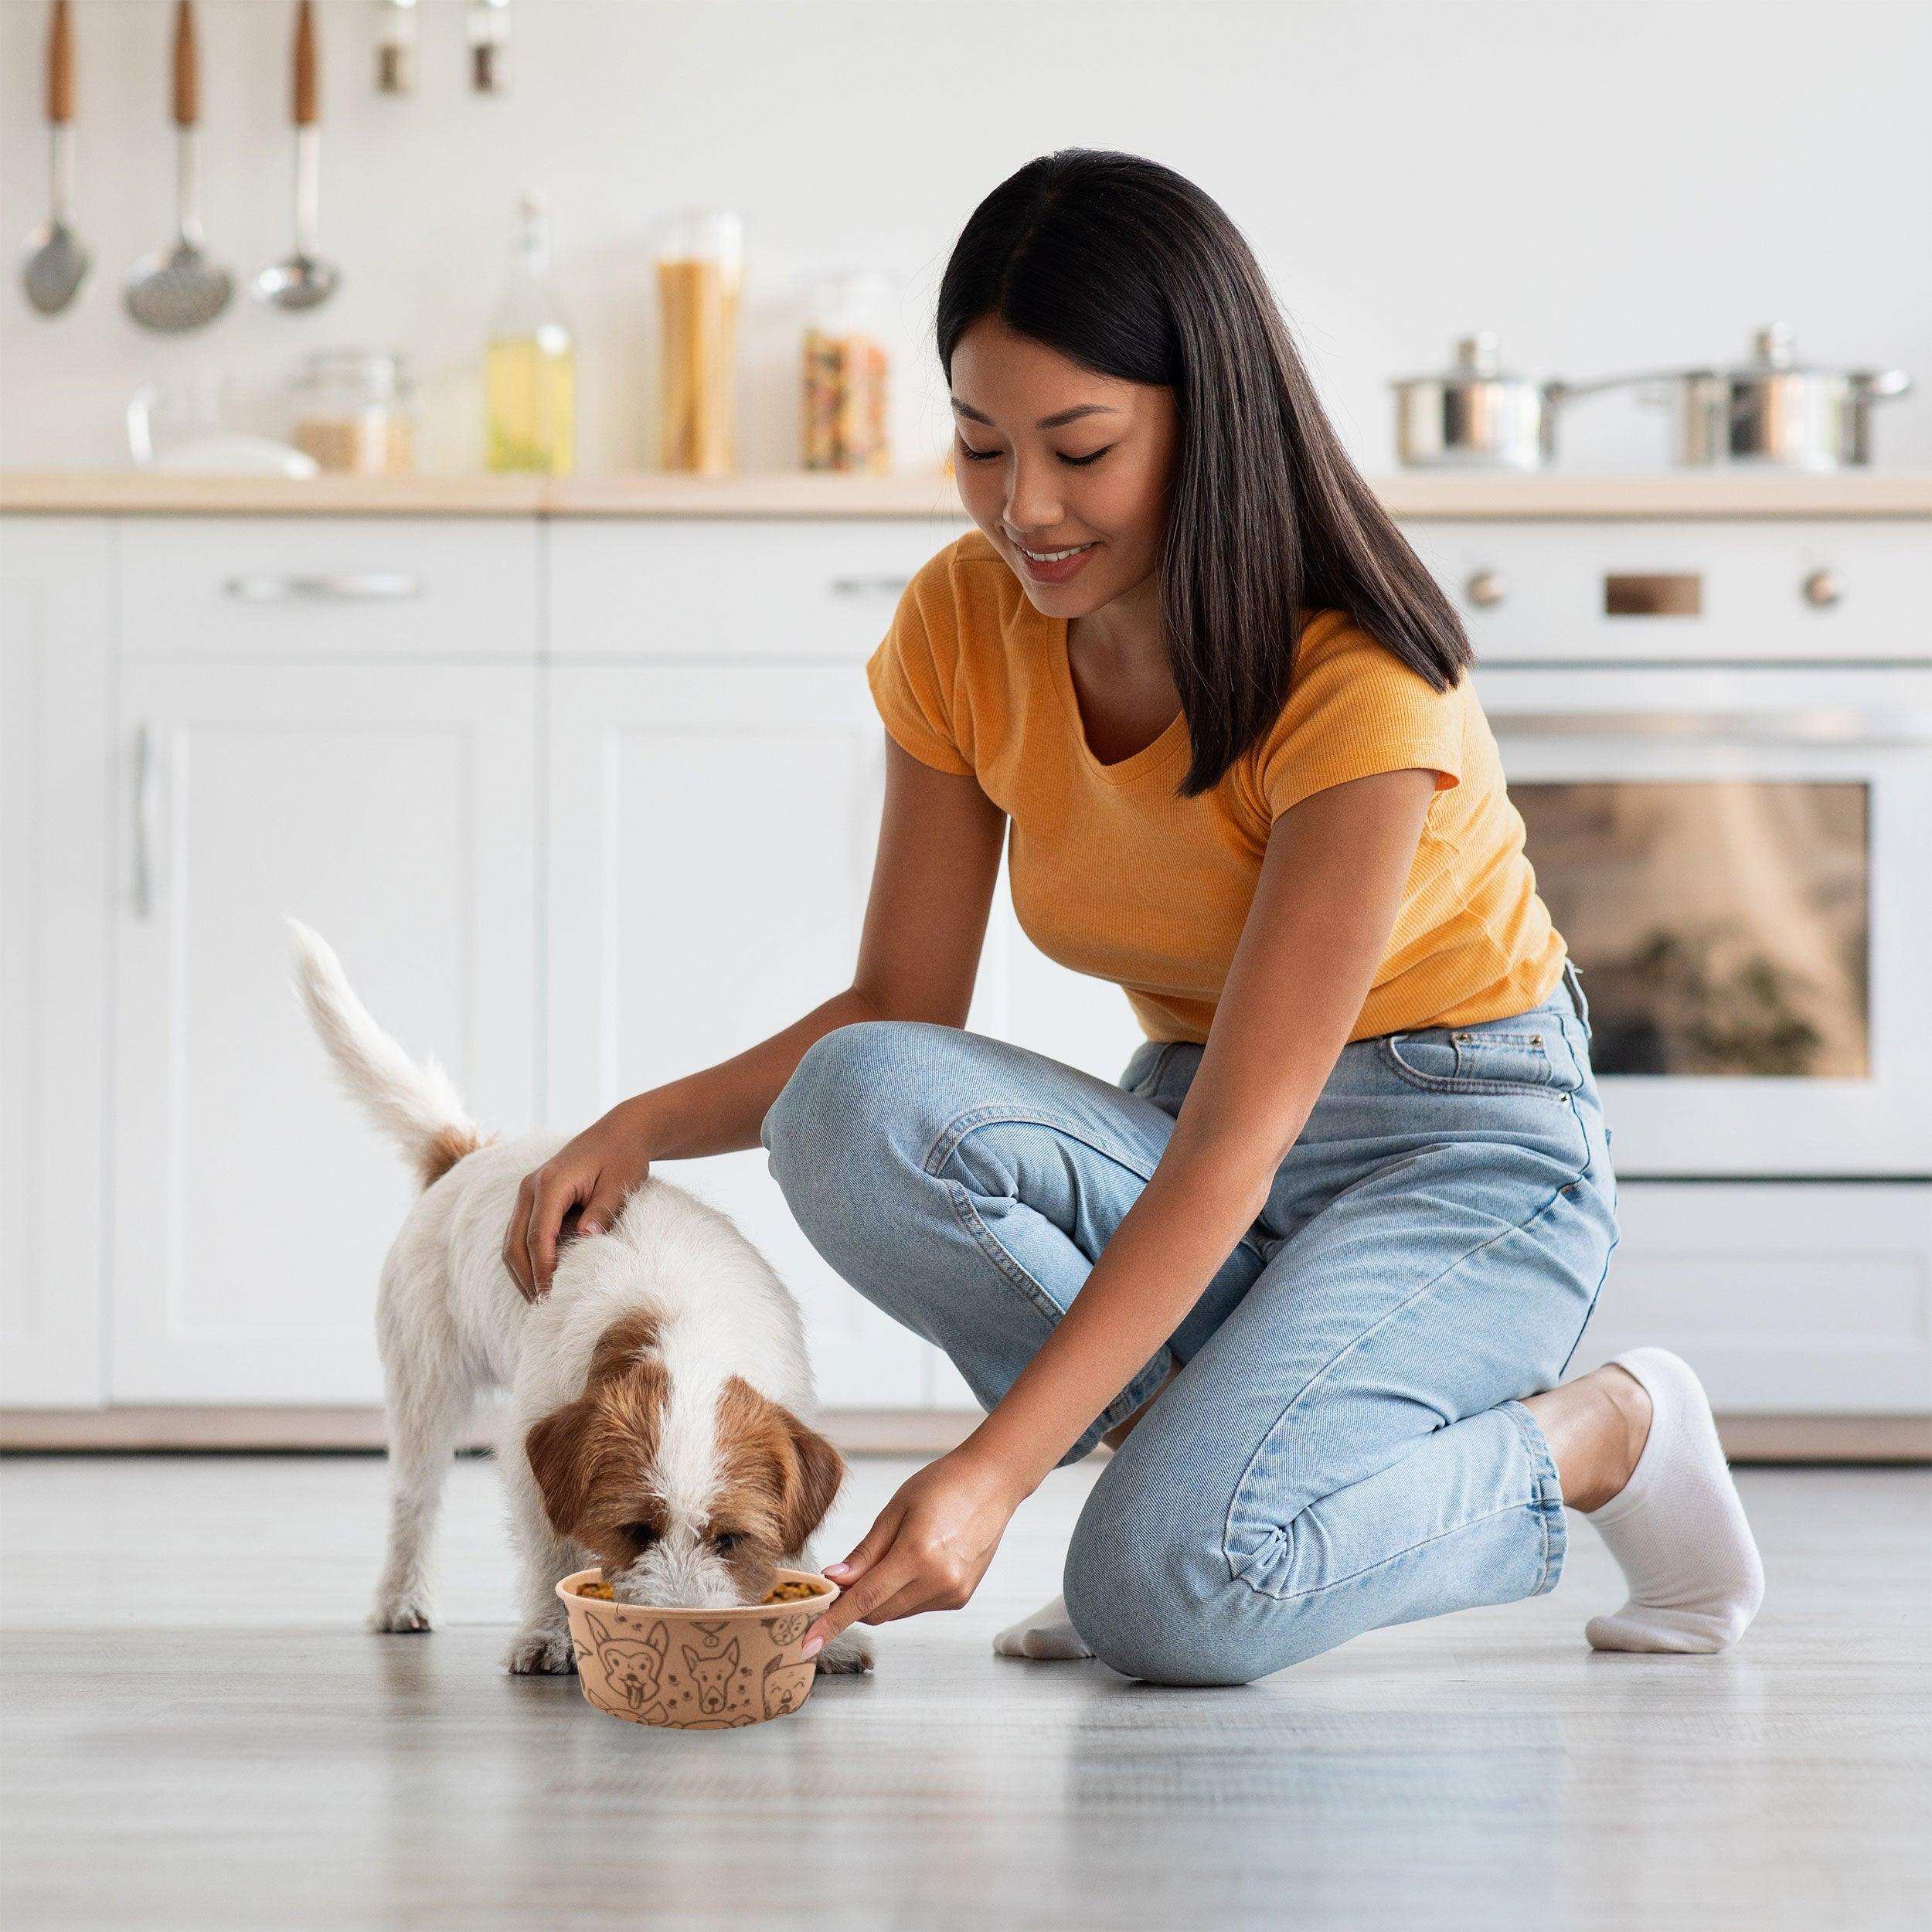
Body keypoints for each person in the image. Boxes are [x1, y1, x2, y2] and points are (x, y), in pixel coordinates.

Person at [503, 150, 1764, 1686]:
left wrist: (992, 1469)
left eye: (1079, 449)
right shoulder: (965, 624)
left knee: (1166, 1601)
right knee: (855, 1100)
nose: (1023, 507)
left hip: (1456, 1156)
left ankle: (1598, 1434)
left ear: (1203, 420)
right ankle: (1200, 1493)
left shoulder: (1354, 673)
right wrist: (639, 1121)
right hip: (1191, 1123)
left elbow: (1243, 1137)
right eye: (978, 445)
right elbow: (894, 1006)